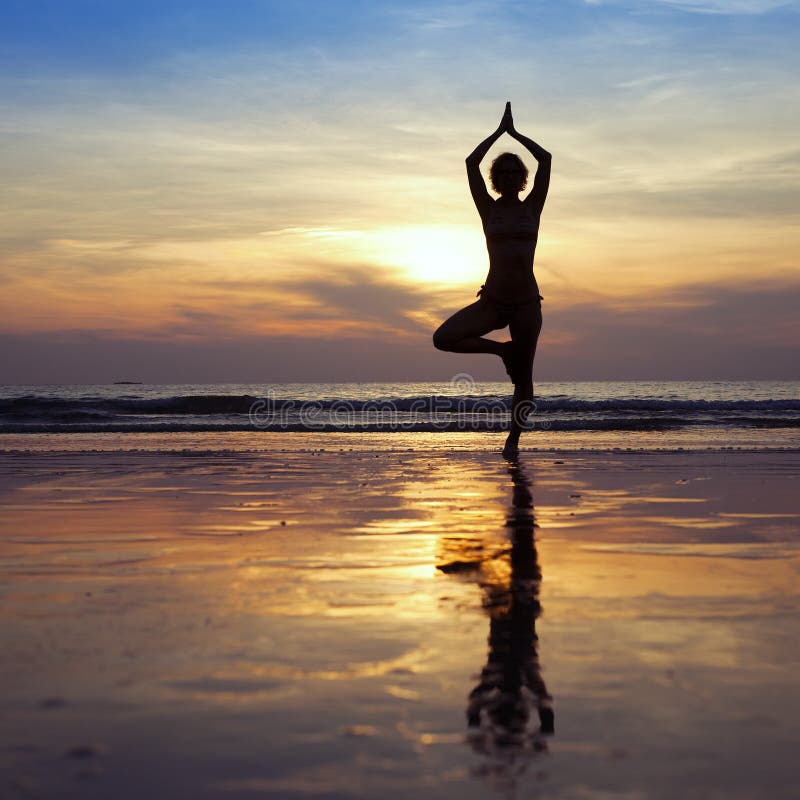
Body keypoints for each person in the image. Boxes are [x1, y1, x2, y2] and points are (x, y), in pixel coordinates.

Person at [432, 102, 551, 457]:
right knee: (444, 338)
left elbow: (545, 159)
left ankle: (512, 442)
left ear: (523, 178)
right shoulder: (489, 208)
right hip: (495, 301)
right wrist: (498, 133)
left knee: (524, 380)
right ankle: (502, 350)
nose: (513, 177)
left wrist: (515, 134)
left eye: (517, 173)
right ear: (497, 179)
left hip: (527, 303)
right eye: (507, 172)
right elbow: (471, 164)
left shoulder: (534, 207)